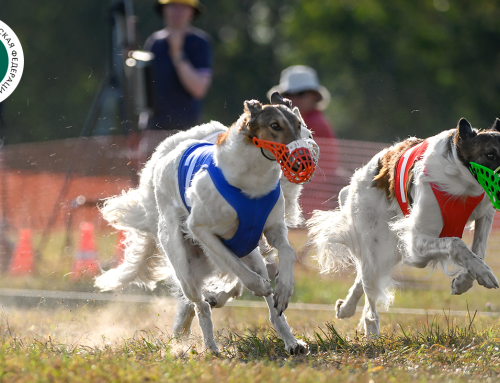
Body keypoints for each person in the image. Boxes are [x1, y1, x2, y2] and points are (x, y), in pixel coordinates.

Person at [145, 0, 212, 131]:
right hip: (154, 129)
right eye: (173, 6)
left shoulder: (200, 43)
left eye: (183, 7)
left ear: (192, 11)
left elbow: (199, 89)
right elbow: (145, 88)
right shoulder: (154, 42)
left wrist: (177, 54)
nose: (178, 12)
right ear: (164, 9)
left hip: (188, 129)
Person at [267, 65, 335, 139]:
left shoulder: (314, 123)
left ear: (315, 96)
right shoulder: (294, 121)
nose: (293, 99)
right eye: (288, 94)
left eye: (301, 93)